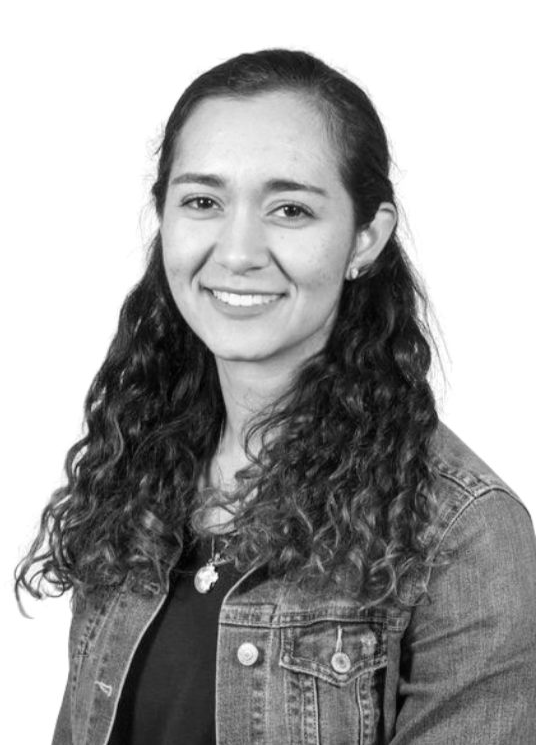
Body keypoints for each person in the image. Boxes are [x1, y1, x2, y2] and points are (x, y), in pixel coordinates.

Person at [12, 45, 536, 744]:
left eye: (290, 209)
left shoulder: (463, 533)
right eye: (203, 202)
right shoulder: (128, 471)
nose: (237, 252)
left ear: (365, 239)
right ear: (162, 220)